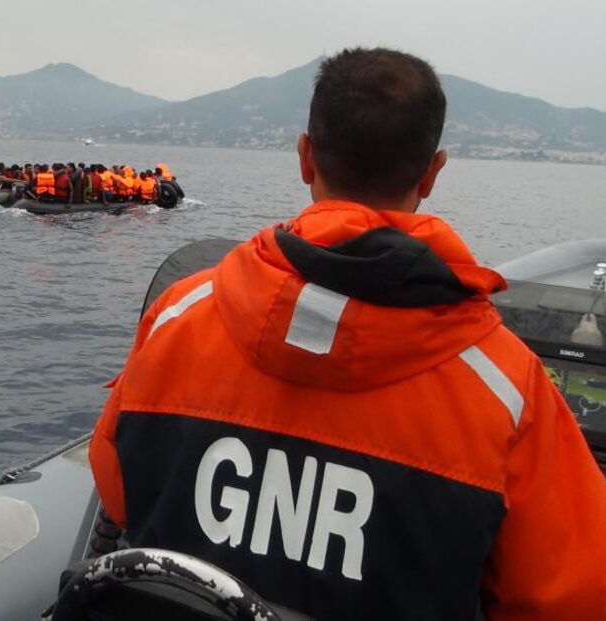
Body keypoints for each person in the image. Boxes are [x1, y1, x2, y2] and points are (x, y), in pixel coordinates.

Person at [89, 47, 606, 621]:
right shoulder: (507, 387)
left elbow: (114, 486)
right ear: (433, 173)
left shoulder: (176, 316)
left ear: (305, 157)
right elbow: (573, 598)